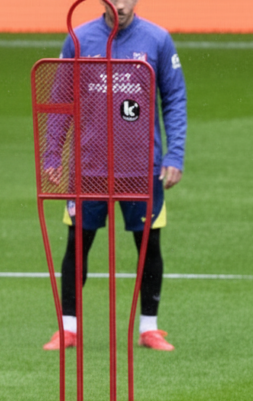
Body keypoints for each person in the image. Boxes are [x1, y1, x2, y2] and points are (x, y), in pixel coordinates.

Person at [42, 0, 187, 351]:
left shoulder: (158, 39)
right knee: (77, 244)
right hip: (88, 167)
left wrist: (175, 153)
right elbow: (61, 98)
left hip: (141, 167)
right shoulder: (78, 40)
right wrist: (52, 153)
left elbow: (174, 98)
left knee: (148, 246)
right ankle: (68, 328)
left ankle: (149, 328)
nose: (120, 5)